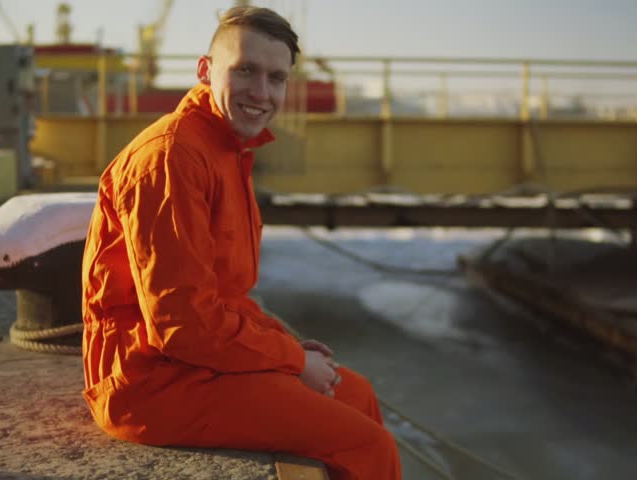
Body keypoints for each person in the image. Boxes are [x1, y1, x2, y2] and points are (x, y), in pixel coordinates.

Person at [80, 6, 401, 479]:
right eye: (245, 70)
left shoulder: (227, 147)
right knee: (367, 445)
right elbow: (182, 325)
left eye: (276, 78)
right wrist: (292, 360)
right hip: (153, 382)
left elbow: (224, 294)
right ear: (205, 70)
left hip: (193, 363)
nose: (261, 92)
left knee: (357, 393)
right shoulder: (172, 157)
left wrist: (281, 342)